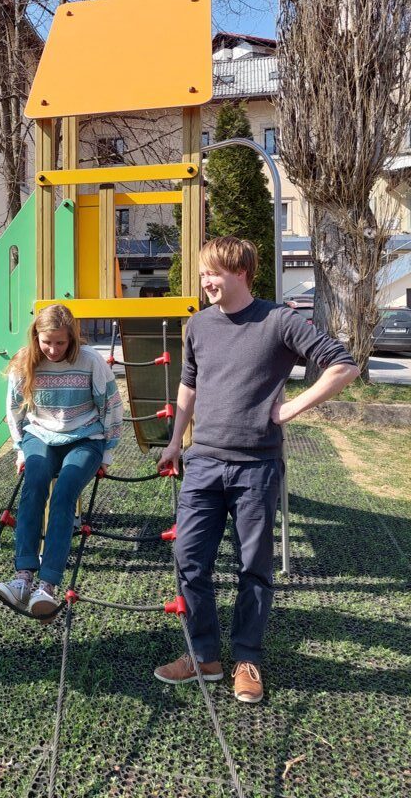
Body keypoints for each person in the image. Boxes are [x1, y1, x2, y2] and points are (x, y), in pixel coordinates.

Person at [154, 237, 358, 703]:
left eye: (214, 273)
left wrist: (290, 409)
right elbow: (189, 384)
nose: (206, 281)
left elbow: (343, 366)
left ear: (241, 272)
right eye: (203, 273)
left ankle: (247, 658)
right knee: (189, 559)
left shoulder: (278, 320)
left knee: (254, 567)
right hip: (203, 463)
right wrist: (175, 441)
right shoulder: (198, 325)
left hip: (257, 468)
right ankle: (203, 655)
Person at [0, 304, 123, 618]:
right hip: (40, 434)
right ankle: (23, 577)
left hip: (85, 436)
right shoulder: (26, 361)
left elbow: (112, 406)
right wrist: (21, 450)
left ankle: (47, 586)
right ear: (36, 337)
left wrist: (107, 452)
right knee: (35, 482)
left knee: (64, 493)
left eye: (60, 343)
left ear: (72, 339)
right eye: (46, 342)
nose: (53, 349)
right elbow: (14, 409)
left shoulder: (90, 361)